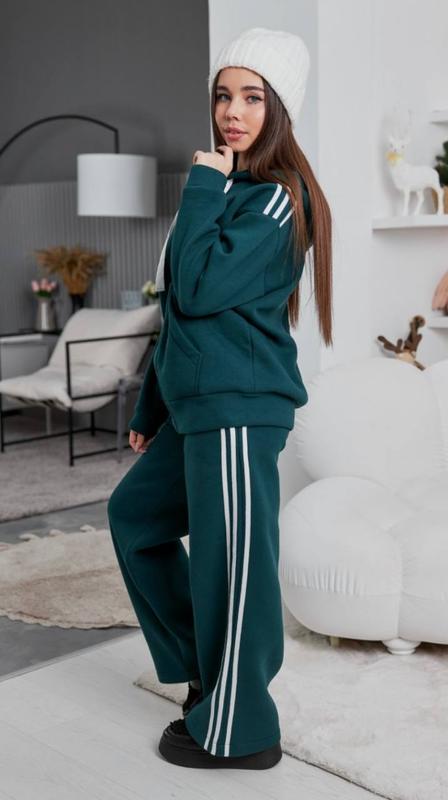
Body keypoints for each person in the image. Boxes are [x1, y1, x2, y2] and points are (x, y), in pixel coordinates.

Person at [107, 25, 333, 770]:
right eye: (223, 95)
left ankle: (243, 731)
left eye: (252, 98)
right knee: (134, 518)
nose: (232, 112)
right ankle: (211, 676)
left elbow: (200, 290)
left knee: (233, 568)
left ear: (281, 109)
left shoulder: (279, 199)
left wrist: (203, 183)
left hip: (239, 409)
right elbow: (179, 311)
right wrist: (152, 406)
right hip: (198, 406)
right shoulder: (229, 189)